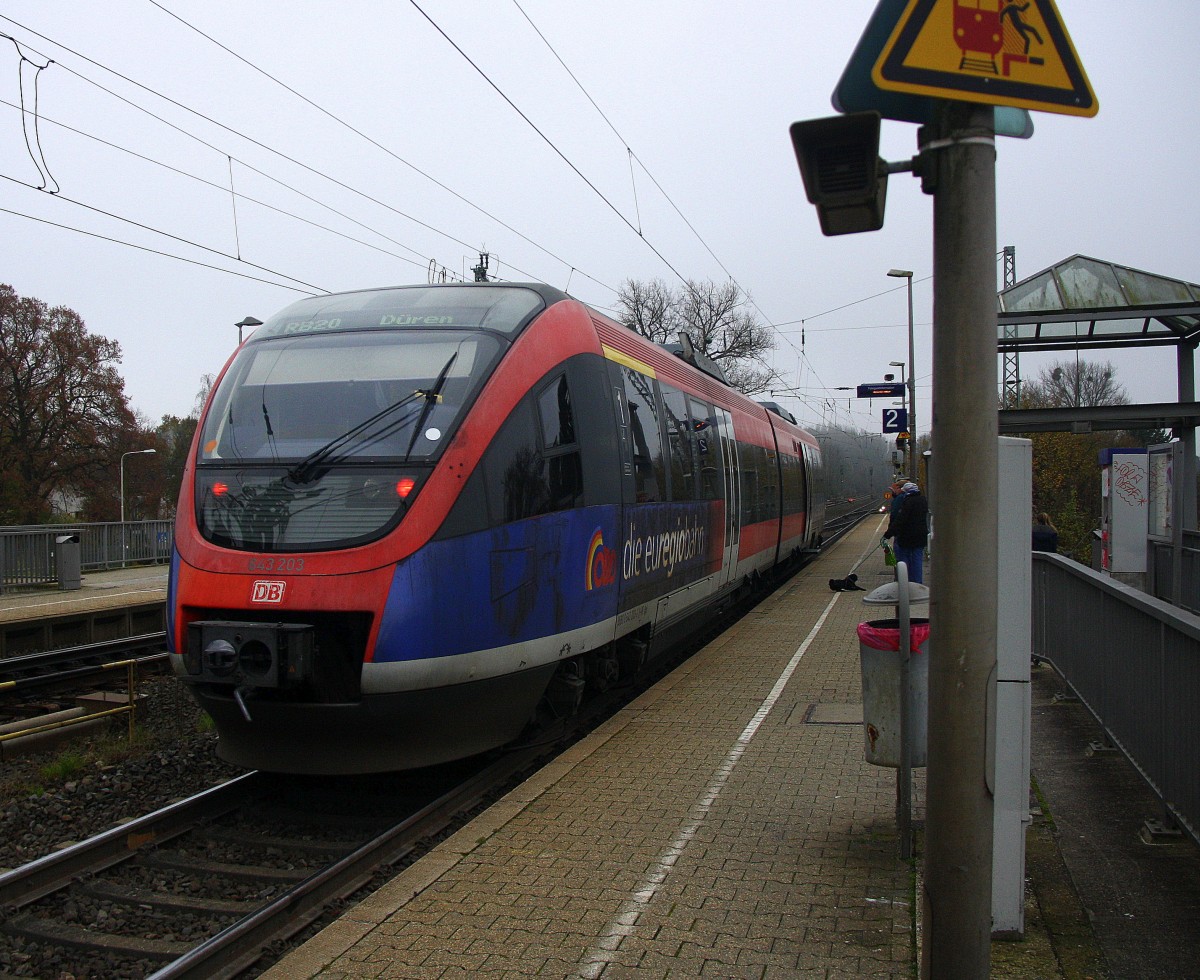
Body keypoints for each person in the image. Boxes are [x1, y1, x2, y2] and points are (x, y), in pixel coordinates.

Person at [884, 481, 929, 584]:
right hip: (921, 536)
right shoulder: (923, 500)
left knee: (904, 561)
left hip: (907, 536)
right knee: (917, 560)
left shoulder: (907, 501)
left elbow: (900, 519)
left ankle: (906, 583)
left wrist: (888, 534)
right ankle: (918, 583)